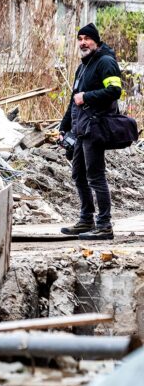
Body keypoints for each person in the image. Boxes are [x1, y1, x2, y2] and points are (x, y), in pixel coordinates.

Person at [59, 23, 124, 241]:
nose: (83, 42)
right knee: (79, 175)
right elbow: (73, 101)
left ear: (96, 41)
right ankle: (86, 219)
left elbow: (115, 90)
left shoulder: (105, 62)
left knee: (95, 176)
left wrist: (87, 96)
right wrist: (63, 127)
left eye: (87, 38)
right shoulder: (83, 67)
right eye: (80, 38)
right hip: (80, 129)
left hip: (95, 128)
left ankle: (104, 225)